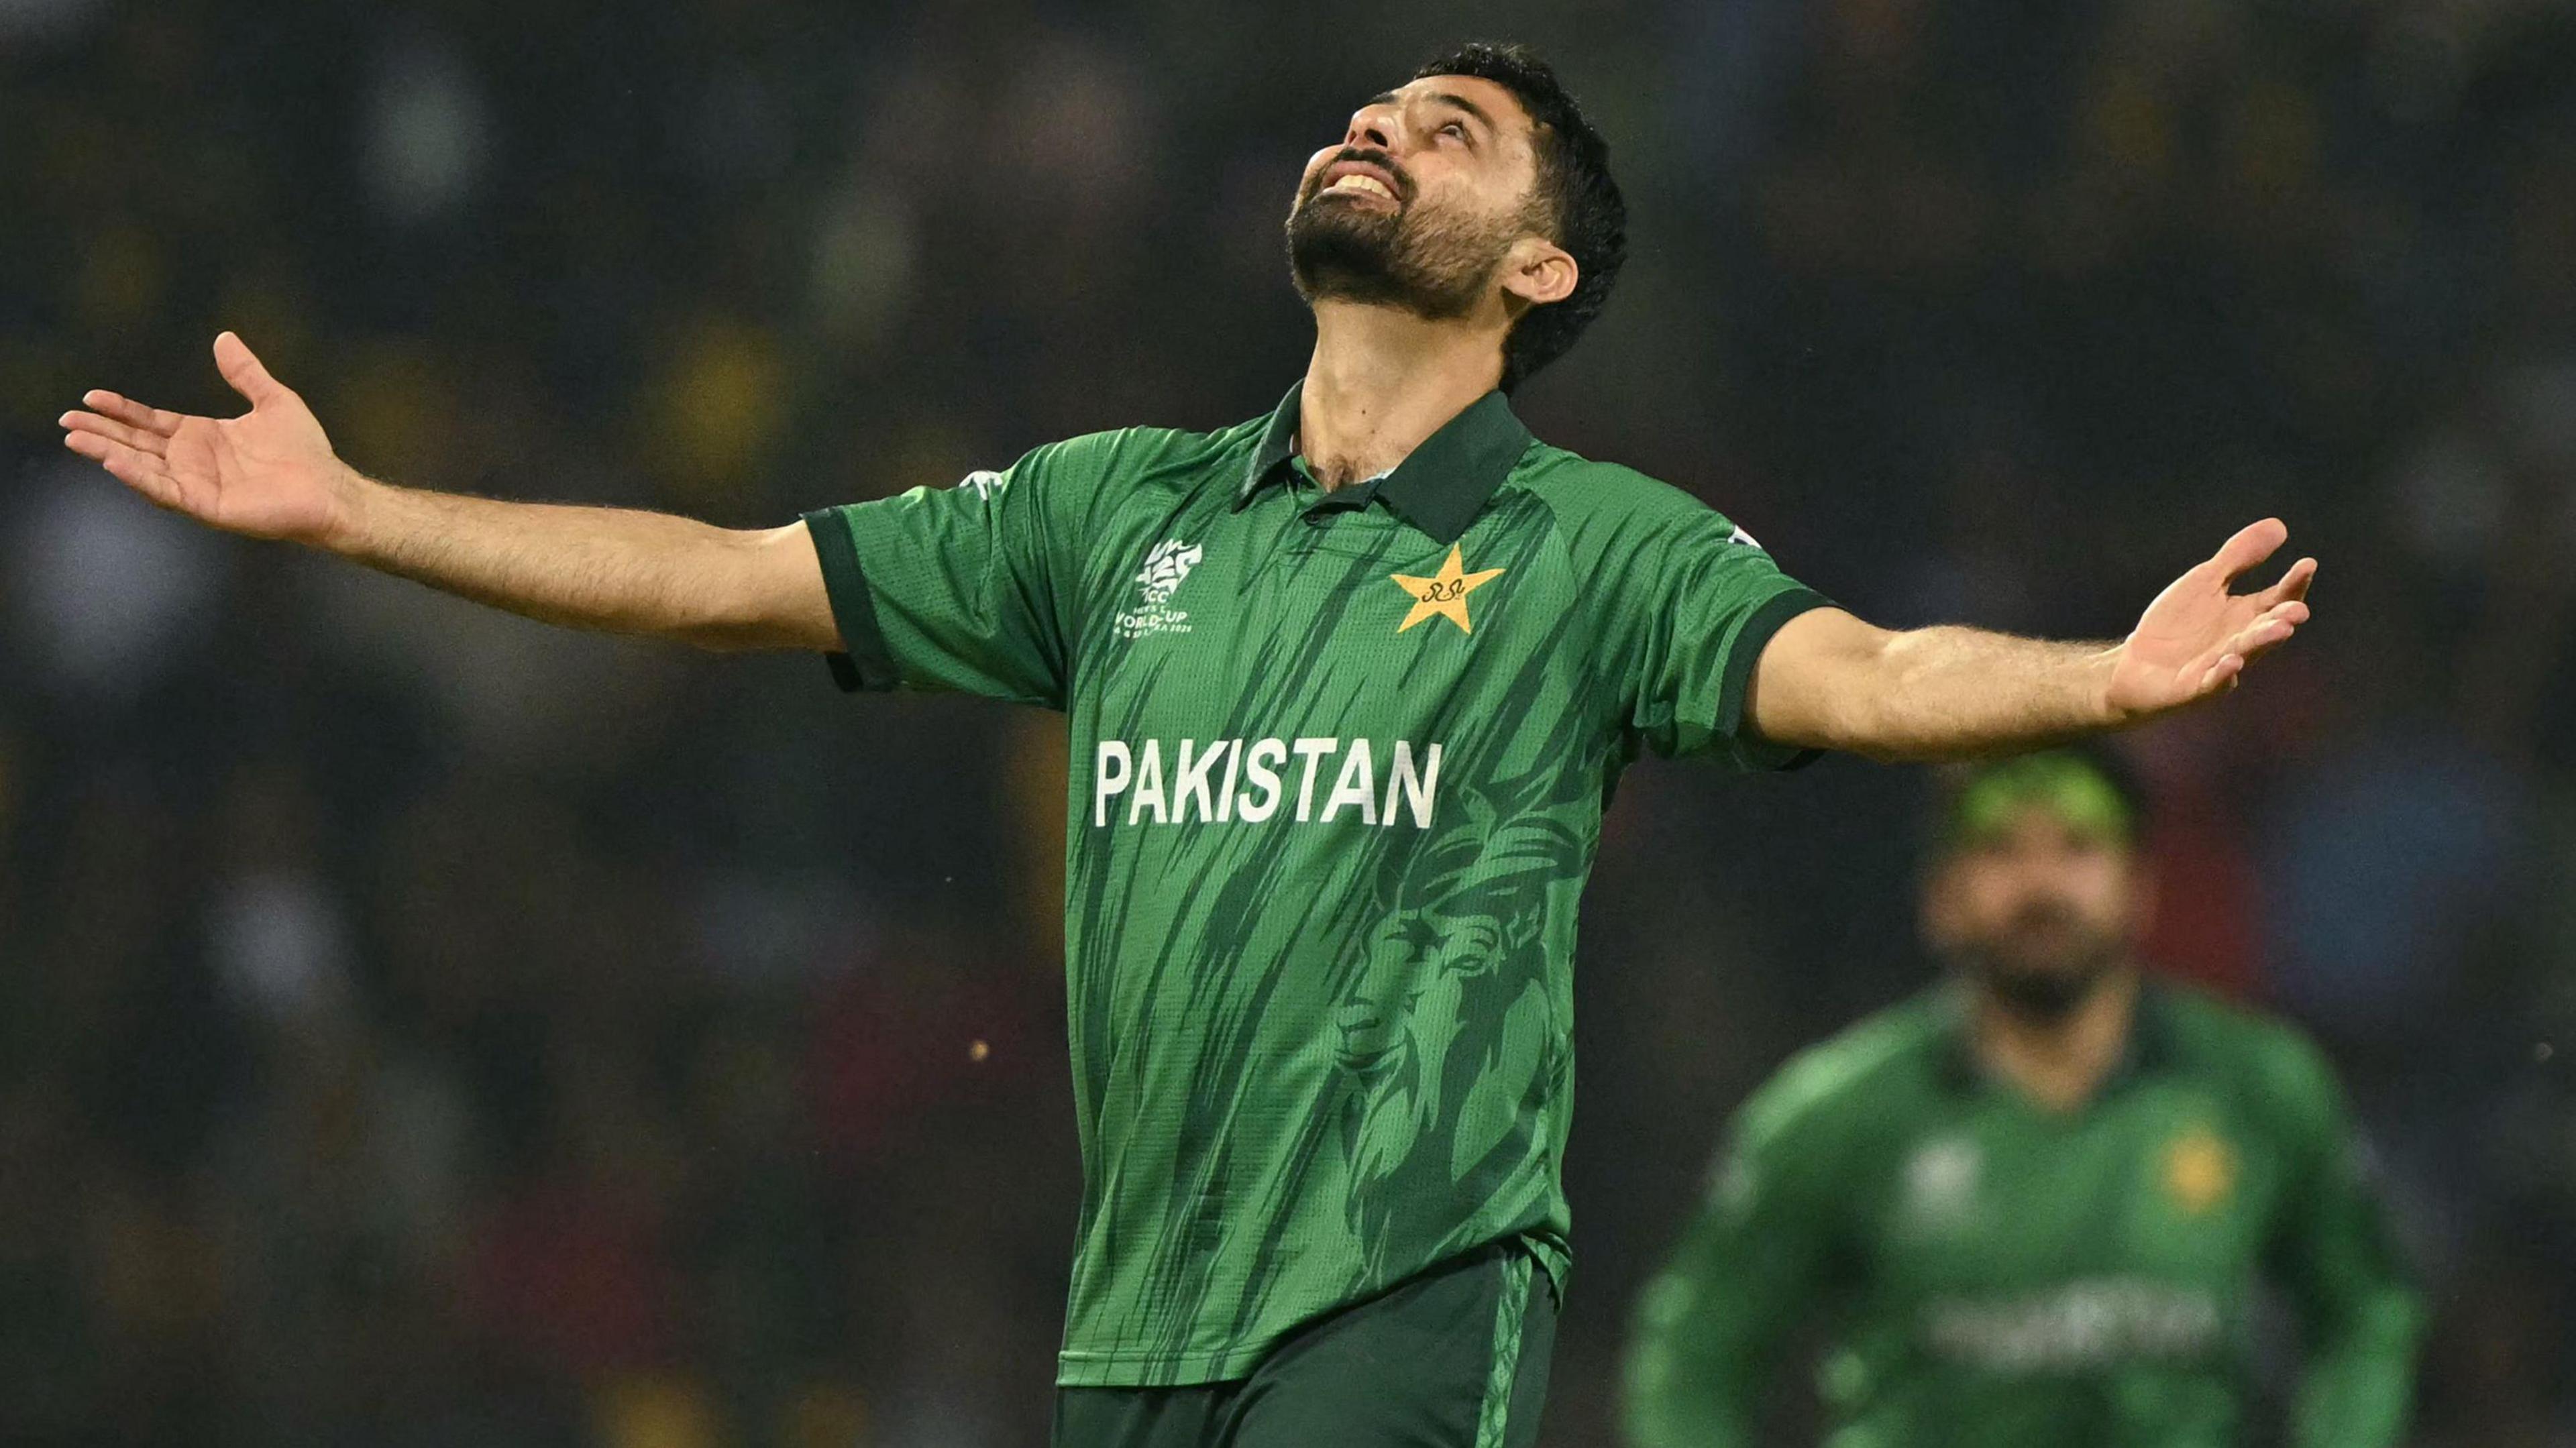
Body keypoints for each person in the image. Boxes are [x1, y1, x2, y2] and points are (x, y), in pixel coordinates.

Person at [58, 40, 2317, 1448]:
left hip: (1404, 1290)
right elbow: (727, 570)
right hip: (1132, 1309)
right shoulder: (1106, 507)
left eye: (1447, 133)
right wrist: (359, 513)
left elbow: (1860, 669)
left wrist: (2097, 680)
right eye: (1373, 105)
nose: (1374, 126)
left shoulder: (1589, 547)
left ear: (1536, 275)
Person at [1622, 748, 2422, 1448]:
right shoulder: (1838, 1114)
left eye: (2078, 847)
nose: (2041, 885)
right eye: (2000, 850)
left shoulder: (2260, 1088)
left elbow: (2365, 1316)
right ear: (1942, 896)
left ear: (2141, 885)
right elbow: (1693, 1355)